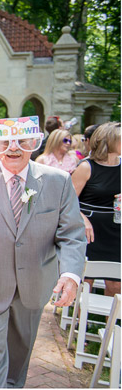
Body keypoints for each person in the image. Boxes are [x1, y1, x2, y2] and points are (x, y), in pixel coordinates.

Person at [0, 116, 86, 387]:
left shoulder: (59, 182)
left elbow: (72, 235)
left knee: (19, 354)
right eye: (4, 141)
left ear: (35, 142)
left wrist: (70, 274)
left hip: (35, 283)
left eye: (22, 141)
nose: (13, 148)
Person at [71, 122, 120, 297]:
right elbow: (68, 201)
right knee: (86, 280)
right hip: (90, 231)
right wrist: (82, 218)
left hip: (115, 231)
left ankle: (111, 324)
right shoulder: (86, 167)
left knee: (115, 283)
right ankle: (76, 321)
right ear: (110, 141)